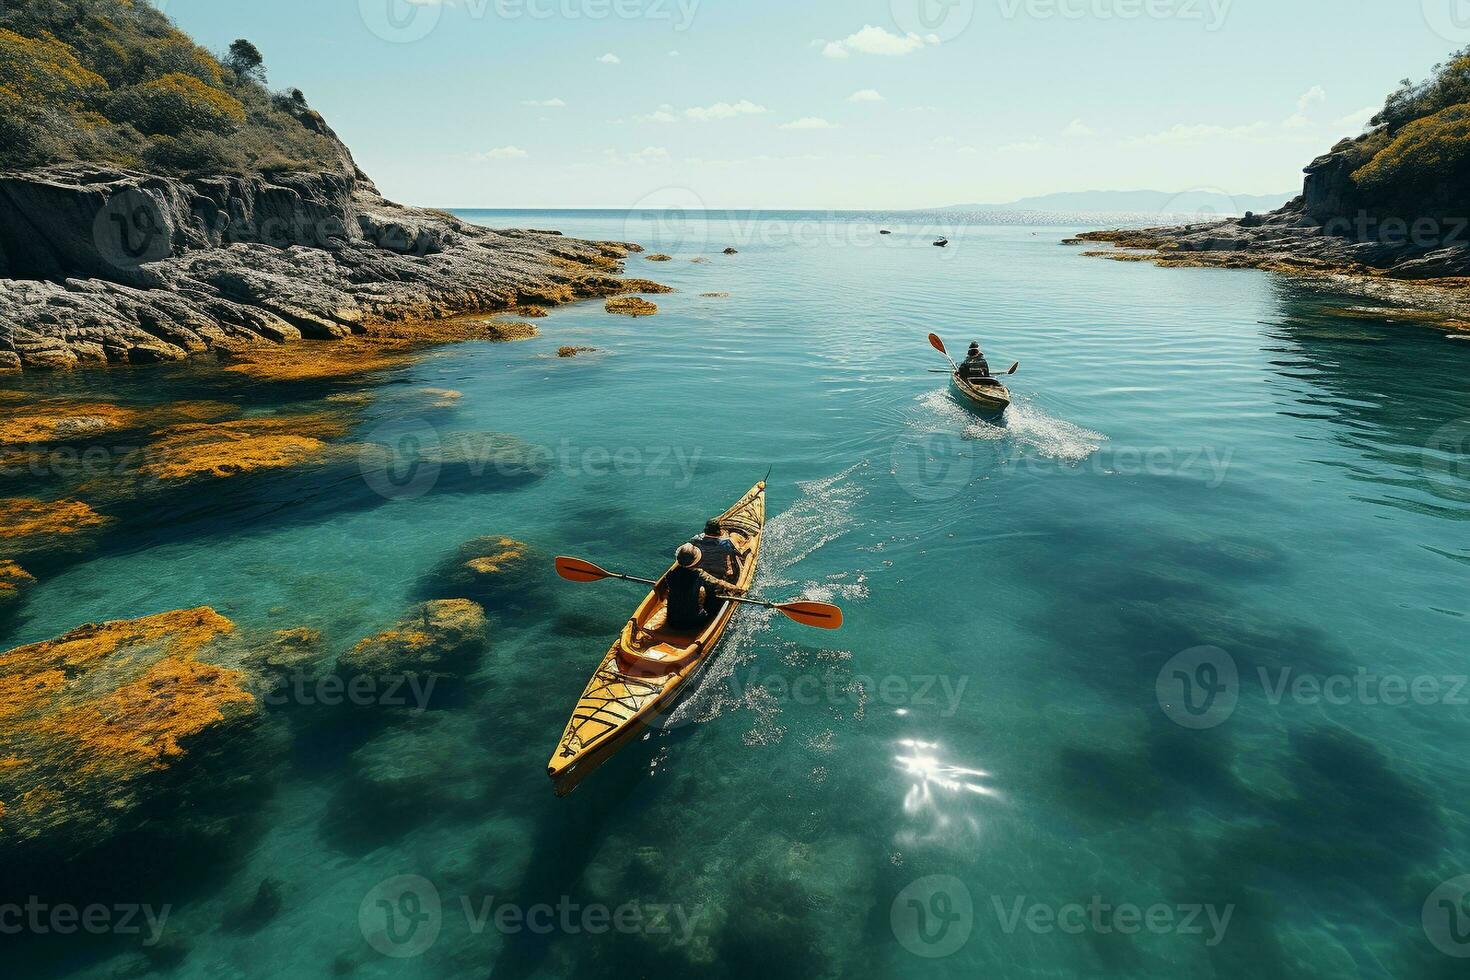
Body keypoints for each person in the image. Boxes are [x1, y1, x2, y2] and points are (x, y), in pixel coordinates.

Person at [658, 544, 741, 632]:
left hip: (672, 620)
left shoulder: (670, 573)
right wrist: (740, 590)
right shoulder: (699, 574)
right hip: (693, 622)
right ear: (695, 561)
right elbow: (719, 584)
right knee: (713, 594)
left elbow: (658, 587)